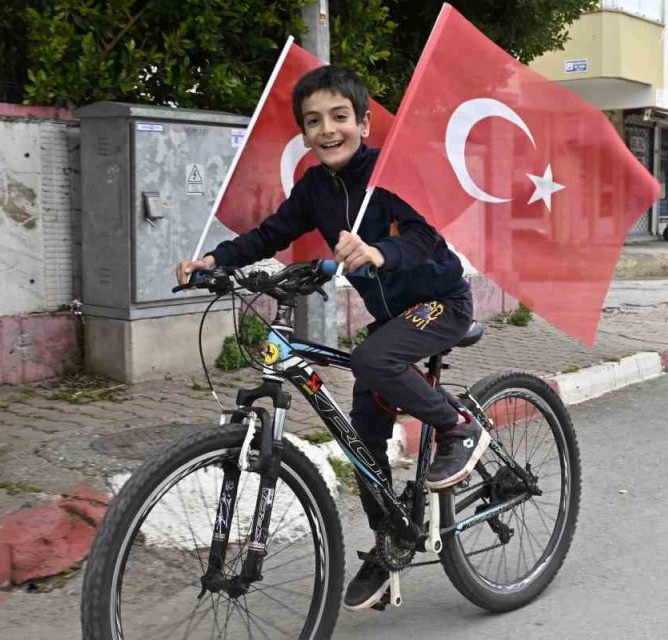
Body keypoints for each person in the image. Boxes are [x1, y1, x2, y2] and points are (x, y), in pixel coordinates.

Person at [174, 66, 489, 611]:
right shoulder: (314, 188)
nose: (327, 129)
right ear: (304, 133)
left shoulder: (390, 173)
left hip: (441, 303)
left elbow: (422, 234)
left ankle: (456, 426)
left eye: (340, 117)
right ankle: (390, 536)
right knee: (362, 436)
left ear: (364, 123)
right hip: (391, 323)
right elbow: (273, 232)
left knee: (371, 359)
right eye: (314, 121)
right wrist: (215, 260)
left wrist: (377, 253)